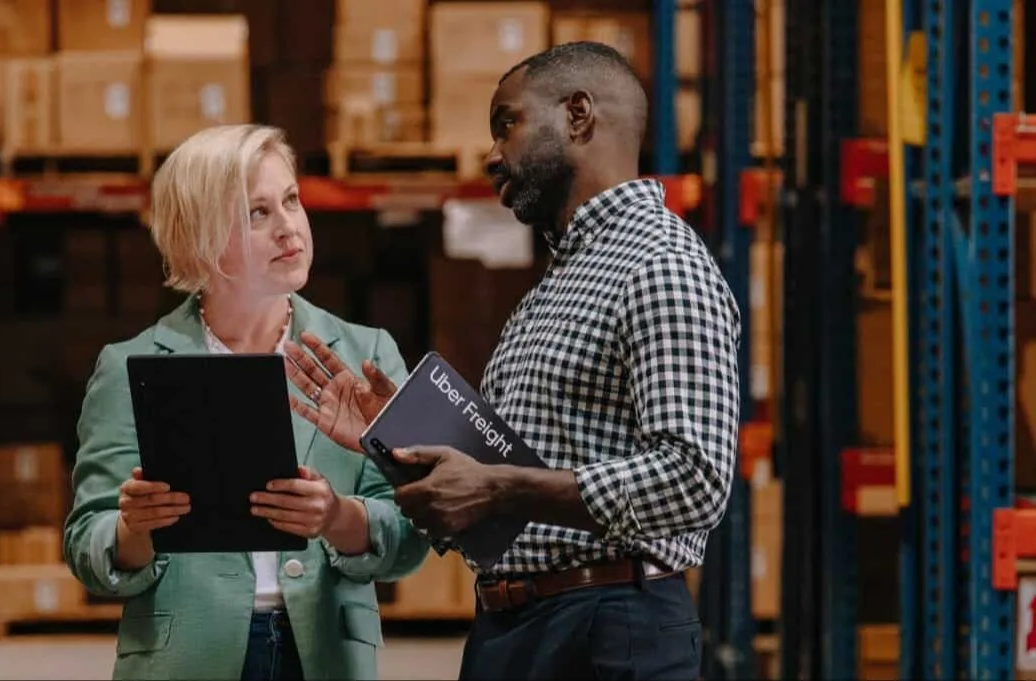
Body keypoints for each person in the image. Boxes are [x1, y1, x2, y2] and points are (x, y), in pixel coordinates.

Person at [284, 42, 741, 680]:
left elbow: (694, 479)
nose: (493, 155)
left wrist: (497, 486)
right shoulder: (563, 279)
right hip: (515, 630)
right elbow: (518, 469)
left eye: (508, 124)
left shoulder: (659, 264)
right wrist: (398, 439)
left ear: (578, 115)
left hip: (608, 629)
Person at [62, 124, 429, 681]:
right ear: (202, 237)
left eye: (290, 200)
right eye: (258, 214)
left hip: (326, 656)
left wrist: (335, 517)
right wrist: (134, 530)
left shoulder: (366, 353)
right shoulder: (130, 366)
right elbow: (88, 542)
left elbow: (411, 530)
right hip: (188, 659)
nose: (290, 227)